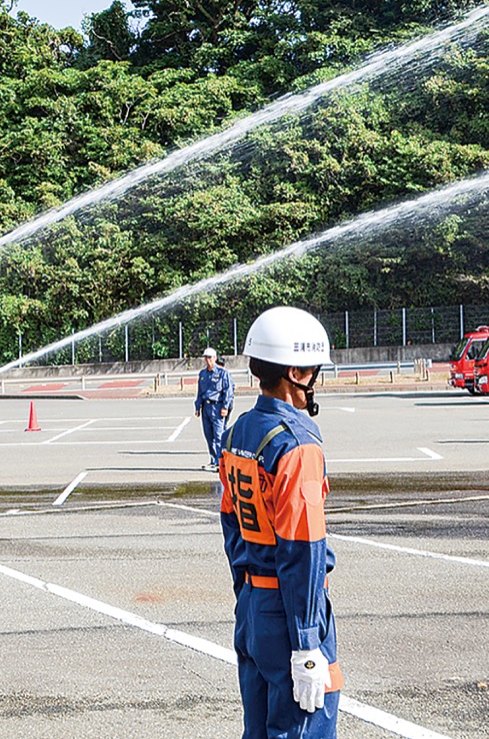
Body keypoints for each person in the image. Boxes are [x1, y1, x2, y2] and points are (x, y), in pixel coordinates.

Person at [218, 307, 342, 738]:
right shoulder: (296, 444)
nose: (315, 381)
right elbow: (303, 548)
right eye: (313, 371)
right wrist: (307, 644)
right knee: (304, 726)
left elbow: (230, 524)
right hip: (291, 615)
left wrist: (246, 595)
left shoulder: (238, 434)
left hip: (253, 606)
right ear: (295, 371)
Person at [194, 347, 235, 472]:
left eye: (210, 357)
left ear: (215, 358)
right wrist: (197, 406)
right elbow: (200, 392)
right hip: (206, 407)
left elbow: (228, 391)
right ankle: (213, 460)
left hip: (217, 406)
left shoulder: (223, 373)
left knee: (219, 435)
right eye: (206, 357)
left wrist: (225, 407)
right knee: (208, 435)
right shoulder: (203, 374)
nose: (208, 360)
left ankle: (221, 461)